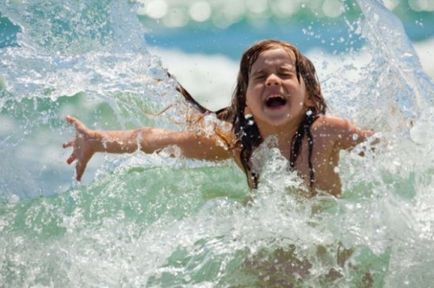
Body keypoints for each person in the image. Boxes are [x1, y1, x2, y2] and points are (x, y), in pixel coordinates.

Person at [63, 39, 374, 196]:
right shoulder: (238, 144)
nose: (272, 81)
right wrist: (97, 141)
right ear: (246, 103)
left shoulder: (327, 133)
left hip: (330, 248)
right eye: (260, 77)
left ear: (309, 98)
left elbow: (394, 151)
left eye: (284, 74)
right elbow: (161, 139)